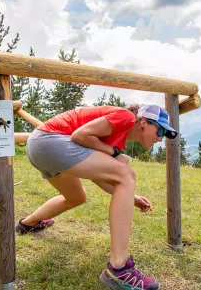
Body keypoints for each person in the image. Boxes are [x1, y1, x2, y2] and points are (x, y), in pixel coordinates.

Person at [16, 103, 178, 290]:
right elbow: (80, 136)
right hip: (50, 142)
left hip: (40, 146)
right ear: (143, 122)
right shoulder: (126, 117)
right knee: (127, 174)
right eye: (160, 131)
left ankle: (27, 224)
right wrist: (114, 155)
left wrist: (132, 198)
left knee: (76, 197)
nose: (160, 138)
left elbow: (97, 176)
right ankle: (119, 269)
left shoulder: (116, 135)